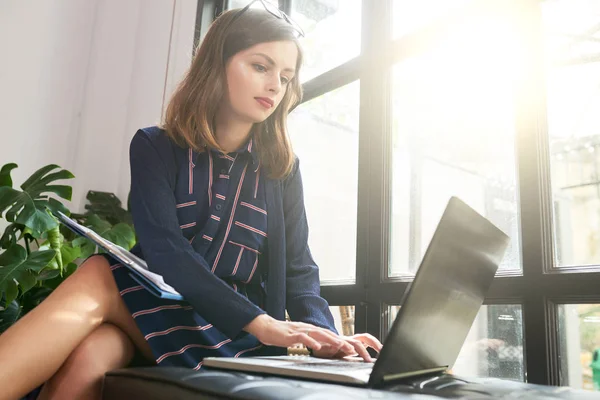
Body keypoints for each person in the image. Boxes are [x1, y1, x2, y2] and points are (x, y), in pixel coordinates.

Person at [0, 2, 382, 399]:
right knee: (92, 356)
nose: (274, 85)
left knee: (99, 275)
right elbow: (167, 251)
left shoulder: (281, 170)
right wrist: (262, 321)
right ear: (217, 64)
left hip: (238, 335)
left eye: (285, 77)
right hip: (163, 315)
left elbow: (300, 271)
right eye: (261, 66)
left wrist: (333, 345)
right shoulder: (155, 147)